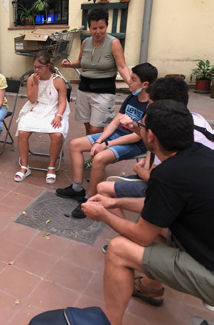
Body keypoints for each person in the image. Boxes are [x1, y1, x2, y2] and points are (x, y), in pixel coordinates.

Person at [82, 100, 214, 325]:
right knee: (161, 227)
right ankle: (152, 288)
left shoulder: (167, 175)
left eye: (140, 127)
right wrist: (114, 203)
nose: (138, 130)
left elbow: (142, 235)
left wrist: (103, 214)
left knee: (118, 250)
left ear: (150, 136)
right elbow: (157, 208)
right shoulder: (201, 153)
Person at [97, 76, 214, 212]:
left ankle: (138, 228)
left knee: (105, 189)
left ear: (162, 106)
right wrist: (135, 126)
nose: (147, 107)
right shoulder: (194, 118)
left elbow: (153, 177)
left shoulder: (168, 134)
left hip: (182, 193)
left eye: (150, 103)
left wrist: (138, 170)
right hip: (196, 184)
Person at [56, 63, 157, 219]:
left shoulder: (151, 106)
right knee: (75, 144)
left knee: (100, 158)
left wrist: (107, 145)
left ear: (145, 85)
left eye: (133, 79)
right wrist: (100, 141)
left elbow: (137, 136)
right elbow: (116, 122)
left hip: (134, 144)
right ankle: (77, 188)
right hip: (116, 135)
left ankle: (90, 198)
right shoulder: (132, 97)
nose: (128, 80)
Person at [61, 8, 131, 135]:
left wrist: (131, 83)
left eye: (101, 27)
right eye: (94, 28)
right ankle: (92, 153)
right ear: (89, 28)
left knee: (96, 129)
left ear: (107, 26)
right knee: (88, 126)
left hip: (104, 92)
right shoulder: (85, 42)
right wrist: (70, 65)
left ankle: (98, 153)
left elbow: (122, 66)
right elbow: (81, 62)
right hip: (84, 90)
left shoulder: (114, 43)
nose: (98, 32)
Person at [14, 51, 69, 184]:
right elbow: (32, 100)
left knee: (56, 135)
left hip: (54, 110)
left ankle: (51, 167)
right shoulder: (32, 79)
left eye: (40, 67)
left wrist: (58, 116)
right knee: (22, 131)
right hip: (37, 109)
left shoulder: (58, 81)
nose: (37, 70)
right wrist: (36, 84)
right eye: (34, 67)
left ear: (48, 66)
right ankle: (24, 167)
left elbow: (62, 102)